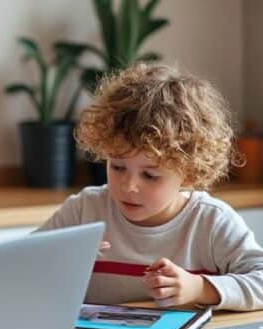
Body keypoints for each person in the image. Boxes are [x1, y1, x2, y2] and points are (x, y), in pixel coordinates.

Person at [38, 63, 263, 310]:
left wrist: (199, 288)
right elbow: (19, 270)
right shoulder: (84, 210)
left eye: (150, 175)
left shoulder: (211, 221)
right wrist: (62, 261)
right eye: (118, 167)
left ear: (189, 174)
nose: (129, 186)